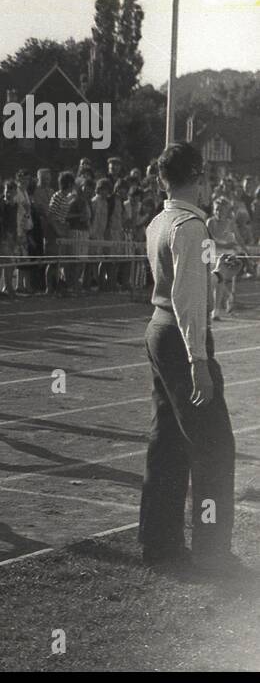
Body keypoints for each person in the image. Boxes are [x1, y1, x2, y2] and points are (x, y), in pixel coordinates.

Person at [139, 143, 239, 573]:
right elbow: (187, 298)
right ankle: (211, 551)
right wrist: (199, 360)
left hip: (159, 329)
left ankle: (159, 542)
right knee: (214, 445)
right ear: (196, 177)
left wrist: (217, 272)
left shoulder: (159, 221)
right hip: (180, 339)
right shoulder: (192, 225)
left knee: (168, 442)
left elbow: (181, 286)